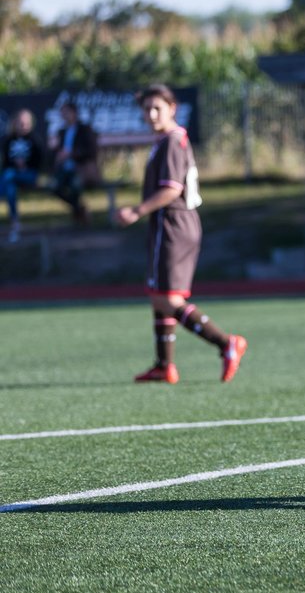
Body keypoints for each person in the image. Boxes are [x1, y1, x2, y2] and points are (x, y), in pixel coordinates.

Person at [113, 83, 247, 385]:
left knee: (168, 298)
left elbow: (172, 189)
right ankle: (164, 365)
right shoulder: (165, 140)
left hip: (174, 223)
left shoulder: (173, 141)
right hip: (169, 224)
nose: (151, 114)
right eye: (147, 109)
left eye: (157, 108)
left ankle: (226, 343)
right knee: (158, 296)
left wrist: (136, 211)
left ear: (172, 108)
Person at [49, 101, 100, 225]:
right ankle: (80, 209)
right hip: (64, 169)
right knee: (53, 187)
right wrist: (57, 153)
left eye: (67, 112)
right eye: (62, 113)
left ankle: (78, 215)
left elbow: (91, 151)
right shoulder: (61, 132)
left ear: (75, 113)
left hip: (81, 169)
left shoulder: (85, 129)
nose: (64, 115)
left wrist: (71, 154)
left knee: (75, 185)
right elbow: (58, 152)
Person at [2, 108, 46, 242]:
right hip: (12, 176)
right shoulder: (9, 140)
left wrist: (25, 166)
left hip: (29, 175)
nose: (23, 126)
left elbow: (40, 162)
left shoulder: (34, 140)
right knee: (9, 187)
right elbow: (5, 163)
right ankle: (15, 223)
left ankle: (15, 222)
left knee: (7, 177)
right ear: (15, 123)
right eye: (21, 123)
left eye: (26, 123)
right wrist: (16, 164)